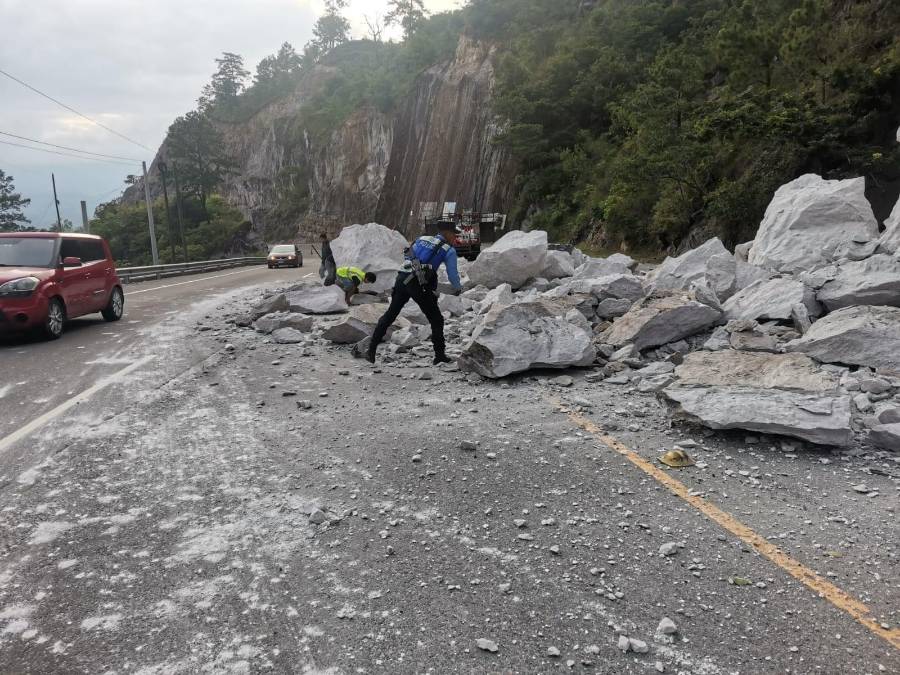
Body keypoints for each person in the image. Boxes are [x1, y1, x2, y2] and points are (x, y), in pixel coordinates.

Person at [366, 221, 462, 365]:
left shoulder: (422, 239)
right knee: (436, 320)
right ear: (447, 232)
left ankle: (371, 350)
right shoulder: (449, 249)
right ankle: (440, 356)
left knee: (390, 314)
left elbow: (408, 256)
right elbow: (452, 274)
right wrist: (458, 288)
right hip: (419, 284)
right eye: (454, 234)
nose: (455, 237)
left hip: (402, 278)